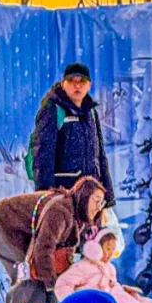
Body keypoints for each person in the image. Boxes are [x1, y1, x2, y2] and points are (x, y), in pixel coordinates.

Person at [0, 175, 105, 303]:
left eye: (101, 202)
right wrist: (52, 282)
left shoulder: (76, 215)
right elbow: (43, 249)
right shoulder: (60, 211)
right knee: (27, 272)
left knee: (43, 273)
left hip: (21, 234)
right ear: (85, 196)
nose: (98, 207)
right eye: (96, 200)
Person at [30, 62, 115, 202]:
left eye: (82, 81)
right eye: (72, 81)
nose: (77, 85)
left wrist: (108, 197)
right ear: (63, 84)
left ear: (89, 85)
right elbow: (43, 155)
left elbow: (100, 157)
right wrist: (45, 196)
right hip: (64, 197)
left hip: (91, 198)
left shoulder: (92, 113)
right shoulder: (53, 110)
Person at [53, 219, 152, 303]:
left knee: (139, 299)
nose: (111, 252)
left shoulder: (109, 267)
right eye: (108, 248)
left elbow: (113, 284)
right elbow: (62, 284)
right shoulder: (83, 267)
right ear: (95, 248)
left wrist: (122, 289)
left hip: (111, 298)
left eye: (113, 249)